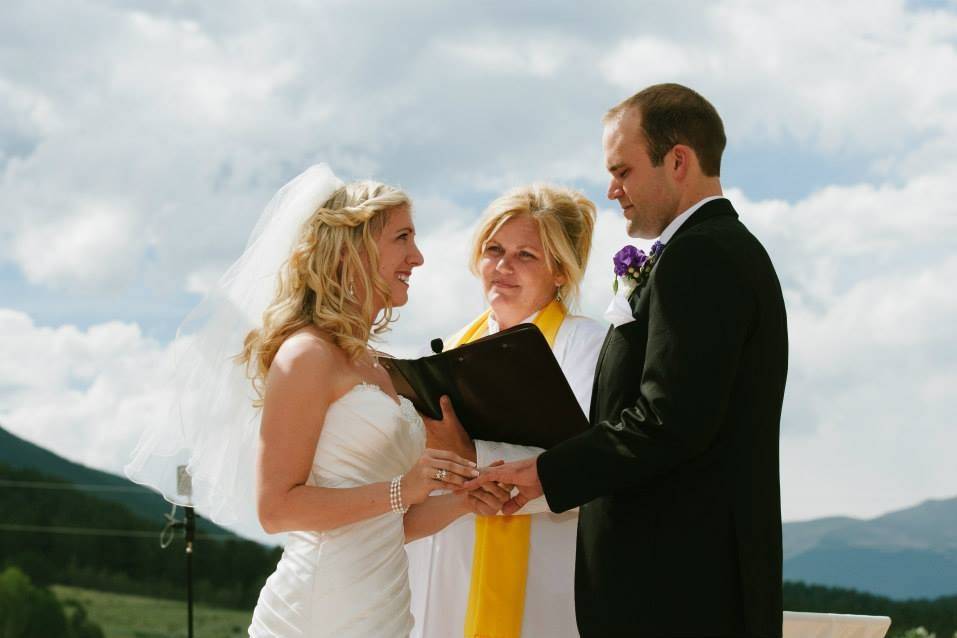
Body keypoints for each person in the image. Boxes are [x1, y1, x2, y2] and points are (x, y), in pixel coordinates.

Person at [467, 84, 789, 638]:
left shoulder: (701, 256)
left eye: (623, 170)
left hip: (677, 591)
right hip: (679, 583)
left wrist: (546, 472)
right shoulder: (712, 250)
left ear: (679, 161)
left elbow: (669, 420)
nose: (612, 189)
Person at [126, 165, 500, 638]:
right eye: (403, 237)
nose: (419, 257)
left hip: (381, 610)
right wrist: (403, 489)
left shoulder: (380, 366)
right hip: (318, 613)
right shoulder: (306, 355)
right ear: (354, 249)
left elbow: (389, 523)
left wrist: (465, 502)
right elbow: (276, 508)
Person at [406, 184, 607, 638]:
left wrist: (467, 452)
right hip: (444, 567)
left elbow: (587, 467)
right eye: (493, 250)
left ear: (560, 271)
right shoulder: (442, 351)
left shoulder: (590, 347)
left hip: (540, 575)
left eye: (525, 255)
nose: (502, 267)